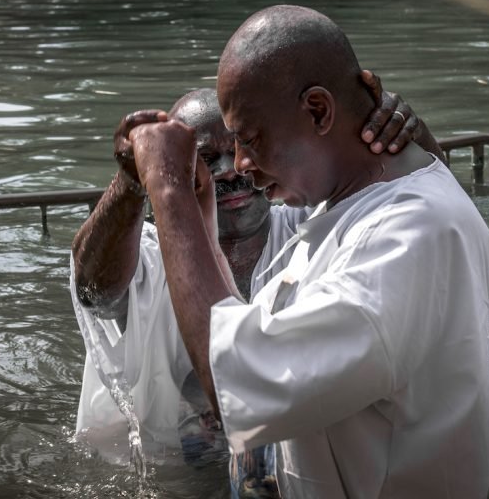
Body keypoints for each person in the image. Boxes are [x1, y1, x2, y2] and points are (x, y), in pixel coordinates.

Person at [127, 5, 489, 498]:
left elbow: (233, 378)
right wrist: (199, 206)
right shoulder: (345, 206)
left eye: (251, 139)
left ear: (319, 111)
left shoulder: (411, 233)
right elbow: (250, 337)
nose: (241, 166)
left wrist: (168, 191)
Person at [70, 75, 443, 495]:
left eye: (242, 149)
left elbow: (426, 210)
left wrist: (409, 133)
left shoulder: (314, 230)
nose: (231, 172)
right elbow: (94, 293)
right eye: (205, 159)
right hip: (162, 479)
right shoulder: (149, 253)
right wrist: (132, 180)